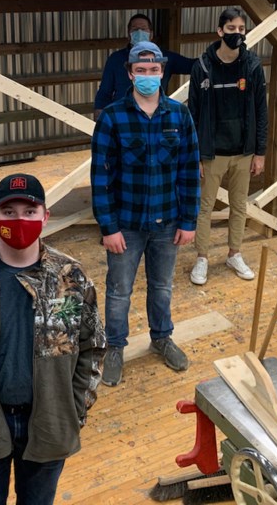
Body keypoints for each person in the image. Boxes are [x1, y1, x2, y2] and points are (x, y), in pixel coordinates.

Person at [0, 173, 105, 505]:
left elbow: (91, 347)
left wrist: (75, 409)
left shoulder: (70, 279)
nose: (19, 220)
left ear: (45, 217)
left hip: (49, 422)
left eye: (29, 211)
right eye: (8, 212)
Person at [91, 41, 199, 387]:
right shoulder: (112, 117)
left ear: (163, 72)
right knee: (119, 290)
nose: (148, 76)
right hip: (127, 224)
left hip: (166, 222)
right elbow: (100, 177)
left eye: (154, 71)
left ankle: (162, 337)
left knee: (162, 286)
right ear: (130, 73)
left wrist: (188, 220)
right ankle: (115, 347)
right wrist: (109, 227)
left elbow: (188, 170)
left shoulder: (179, 115)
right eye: (141, 70)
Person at [188, 6, 268, 285]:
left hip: (243, 152)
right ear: (220, 31)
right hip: (212, 153)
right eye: (231, 29)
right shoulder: (202, 66)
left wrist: (260, 151)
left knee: (239, 206)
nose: (237, 34)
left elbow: (261, 111)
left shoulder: (253, 66)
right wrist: (196, 155)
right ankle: (202, 259)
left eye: (241, 29)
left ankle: (234, 253)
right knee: (205, 207)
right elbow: (194, 114)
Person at [93, 13, 195, 117]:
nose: (139, 32)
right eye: (135, 29)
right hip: (122, 116)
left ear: (151, 34)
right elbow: (104, 91)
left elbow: (193, 66)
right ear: (128, 35)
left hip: (156, 114)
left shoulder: (165, 57)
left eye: (143, 29)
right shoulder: (115, 59)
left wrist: (210, 55)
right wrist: (99, 116)